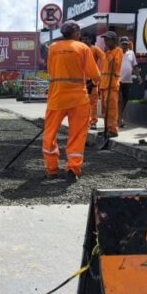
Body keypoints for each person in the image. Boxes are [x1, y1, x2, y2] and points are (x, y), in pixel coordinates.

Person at [42, 20, 101, 182]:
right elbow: (94, 74)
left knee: (49, 134)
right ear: (75, 33)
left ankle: (51, 168)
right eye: (79, 31)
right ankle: (73, 168)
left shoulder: (53, 48)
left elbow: (50, 70)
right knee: (77, 135)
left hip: (56, 98)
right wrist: (94, 82)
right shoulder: (83, 48)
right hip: (78, 99)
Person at [99, 31, 123, 137]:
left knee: (111, 110)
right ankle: (106, 129)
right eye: (105, 39)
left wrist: (109, 55)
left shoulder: (118, 51)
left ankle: (113, 130)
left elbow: (114, 66)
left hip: (111, 85)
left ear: (114, 40)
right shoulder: (107, 53)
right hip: (104, 85)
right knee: (105, 109)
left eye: (108, 39)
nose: (106, 42)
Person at [80, 33, 105, 130]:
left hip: (92, 81)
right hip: (81, 81)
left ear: (91, 40)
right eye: (83, 39)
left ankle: (93, 122)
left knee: (93, 103)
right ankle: (84, 122)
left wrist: (99, 72)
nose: (85, 41)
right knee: (82, 104)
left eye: (87, 38)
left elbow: (104, 59)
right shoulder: (80, 49)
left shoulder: (95, 49)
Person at [118, 36, 140, 127]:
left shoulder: (131, 53)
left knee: (125, 100)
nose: (124, 46)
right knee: (119, 100)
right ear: (120, 44)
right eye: (123, 44)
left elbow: (134, 66)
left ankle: (119, 117)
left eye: (126, 44)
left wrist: (138, 76)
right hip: (118, 81)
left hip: (128, 81)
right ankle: (119, 120)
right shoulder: (117, 52)